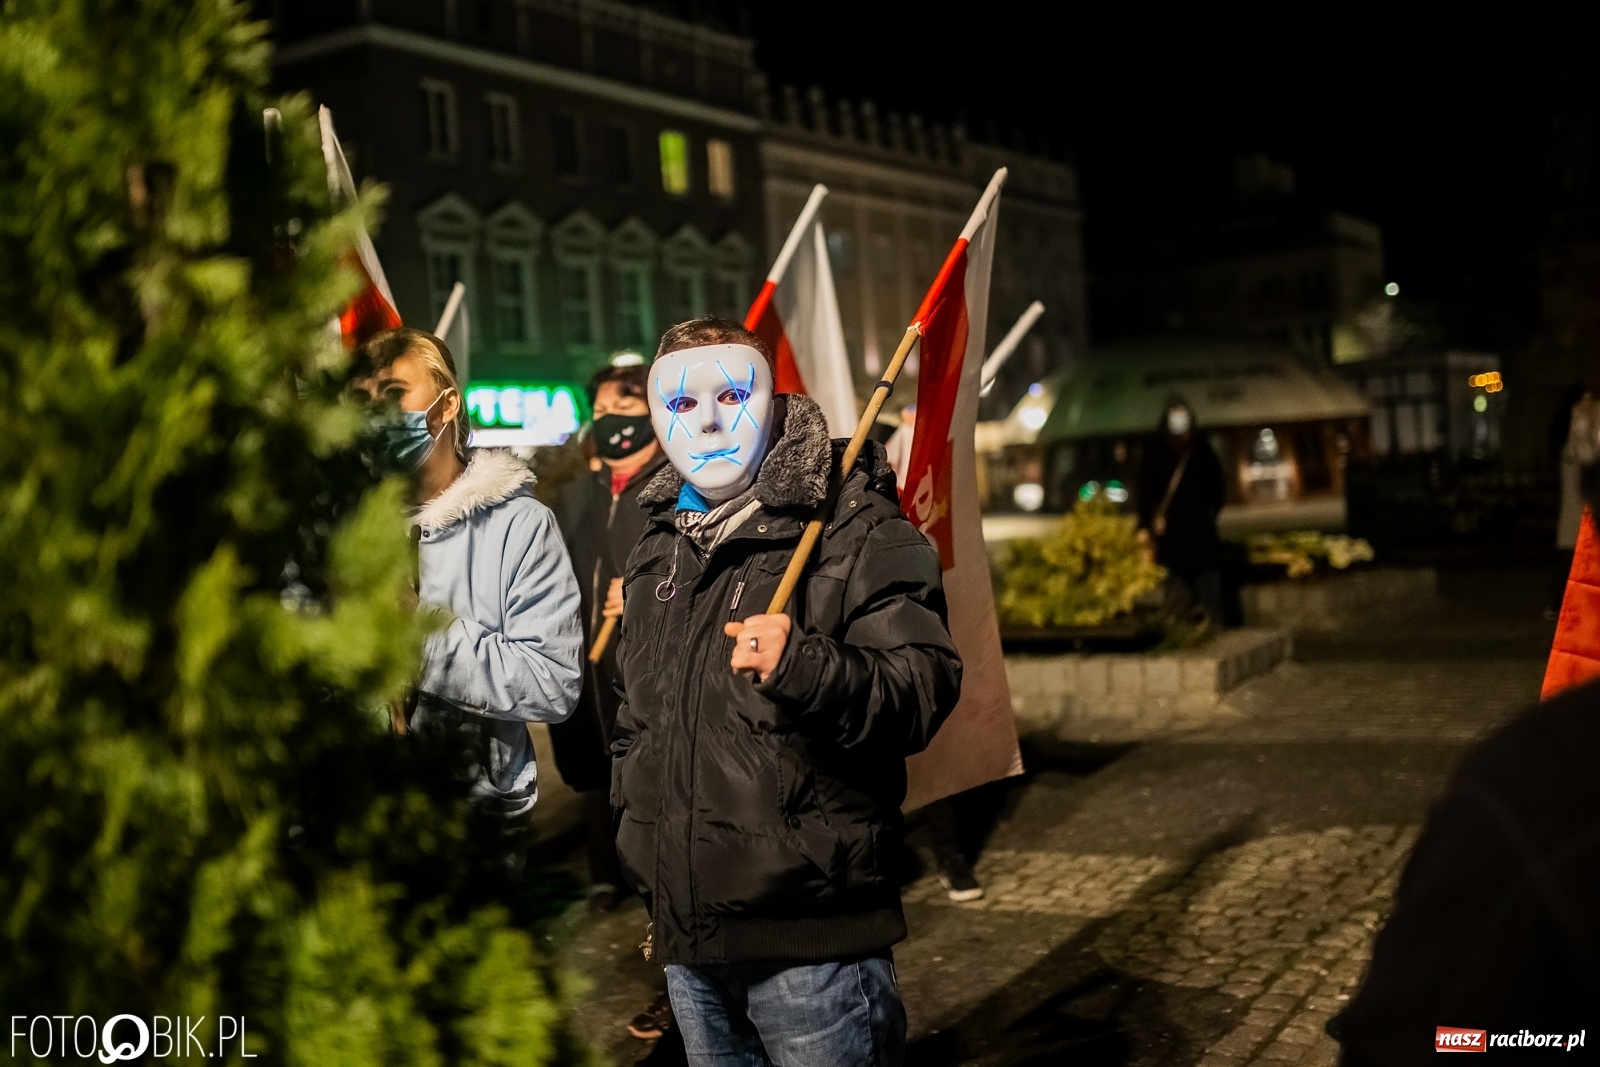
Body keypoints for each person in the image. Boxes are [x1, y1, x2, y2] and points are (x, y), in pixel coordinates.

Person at [610, 317, 963, 1067]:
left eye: (732, 393)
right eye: (678, 404)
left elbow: (923, 684)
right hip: (688, 937)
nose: (706, 419)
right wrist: (640, 844)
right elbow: (634, 720)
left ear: (772, 401)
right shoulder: (656, 549)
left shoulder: (852, 526)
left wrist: (806, 664)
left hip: (811, 944)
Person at [351, 328, 583, 851]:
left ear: (446, 404)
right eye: (359, 399)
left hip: (473, 824)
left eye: (393, 394)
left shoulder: (520, 526)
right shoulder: (334, 529)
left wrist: (424, 636)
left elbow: (553, 683)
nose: (376, 413)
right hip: (355, 824)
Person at [550, 356, 669, 913]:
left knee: (650, 771)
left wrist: (649, 592)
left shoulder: (677, 488)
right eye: (600, 408)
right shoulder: (575, 496)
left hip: (648, 667)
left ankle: (661, 888)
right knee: (594, 768)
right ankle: (605, 871)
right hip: (583, 660)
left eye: (625, 405)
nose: (612, 417)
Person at [1138, 397, 1226, 625]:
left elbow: (1217, 487)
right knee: (1176, 590)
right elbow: (1145, 491)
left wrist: (1208, 512)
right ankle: (1180, 630)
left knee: (1208, 592)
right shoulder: (1156, 450)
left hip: (1199, 532)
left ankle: (1211, 628)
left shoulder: (1200, 448)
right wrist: (1145, 524)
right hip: (1174, 534)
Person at [1548, 385, 1593, 619]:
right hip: (1576, 502)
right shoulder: (1573, 430)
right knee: (1569, 553)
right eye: (1582, 401)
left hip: (1583, 501)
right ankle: (1559, 603)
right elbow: (1581, 454)